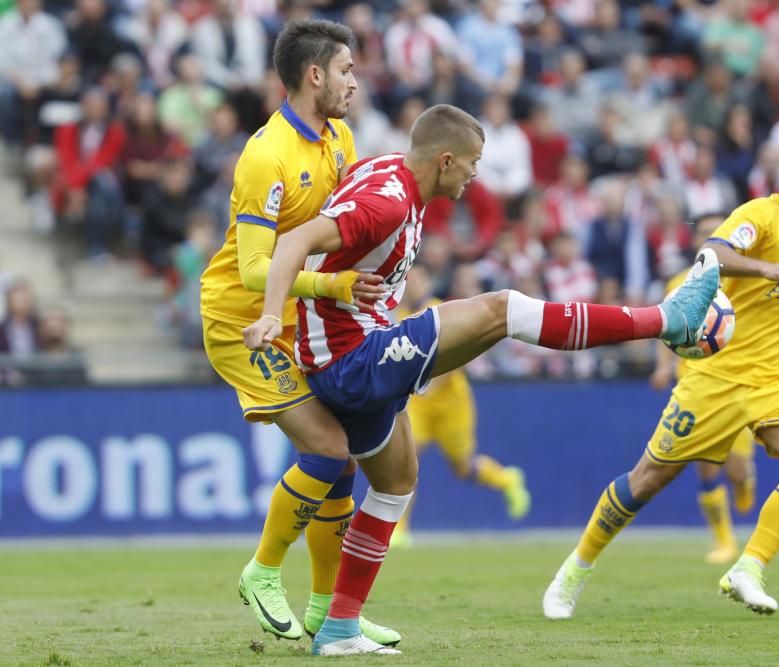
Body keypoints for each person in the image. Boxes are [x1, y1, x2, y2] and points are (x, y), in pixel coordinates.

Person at [242, 103, 721, 655]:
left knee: (397, 480)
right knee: (502, 310)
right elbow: (292, 241)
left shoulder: (395, 182)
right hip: (347, 360)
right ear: (444, 160)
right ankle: (665, 320)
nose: (475, 175)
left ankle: (340, 629)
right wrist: (274, 314)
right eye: (472, 163)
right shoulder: (389, 199)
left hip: (353, 352)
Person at [542, 121, 779, 620]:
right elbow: (711, 252)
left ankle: (748, 567)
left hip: (778, 382)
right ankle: (574, 571)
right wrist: (766, 268)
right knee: (646, 480)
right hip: (715, 378)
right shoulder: (761, 217)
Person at [198, 19, 398, 645]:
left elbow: (347, 230)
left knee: (340, 466)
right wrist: (335, 289)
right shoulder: (266, 155)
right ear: (315, 74)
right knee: (331, 449)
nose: (354, 83)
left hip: (300, 321)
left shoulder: (340, 138)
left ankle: (326, 611)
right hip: (243, 323)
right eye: (346, 70)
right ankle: (261, 572)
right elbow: (258, 270)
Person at [391, 263, 531, 550]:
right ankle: (399, 529)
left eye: (418, 278)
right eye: (409, 279)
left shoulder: (437, 311)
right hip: (417, 404)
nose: (413, 284)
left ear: (428, 282)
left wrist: (430, 385)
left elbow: (458, 357)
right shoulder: (395, 316)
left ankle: (506, 480)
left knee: (463, 467)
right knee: (406, 462)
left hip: (452, 403)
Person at [649, 213, 757, 564]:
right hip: (696, 384)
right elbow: (663, 328)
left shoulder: (745, 282)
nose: (712, 238)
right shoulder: (682, 283)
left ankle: (743, 481)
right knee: (706, 467)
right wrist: (663, 367)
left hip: (737, 384)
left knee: (735, 468)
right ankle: (724, 540)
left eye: (719, 232)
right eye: (707, 234)